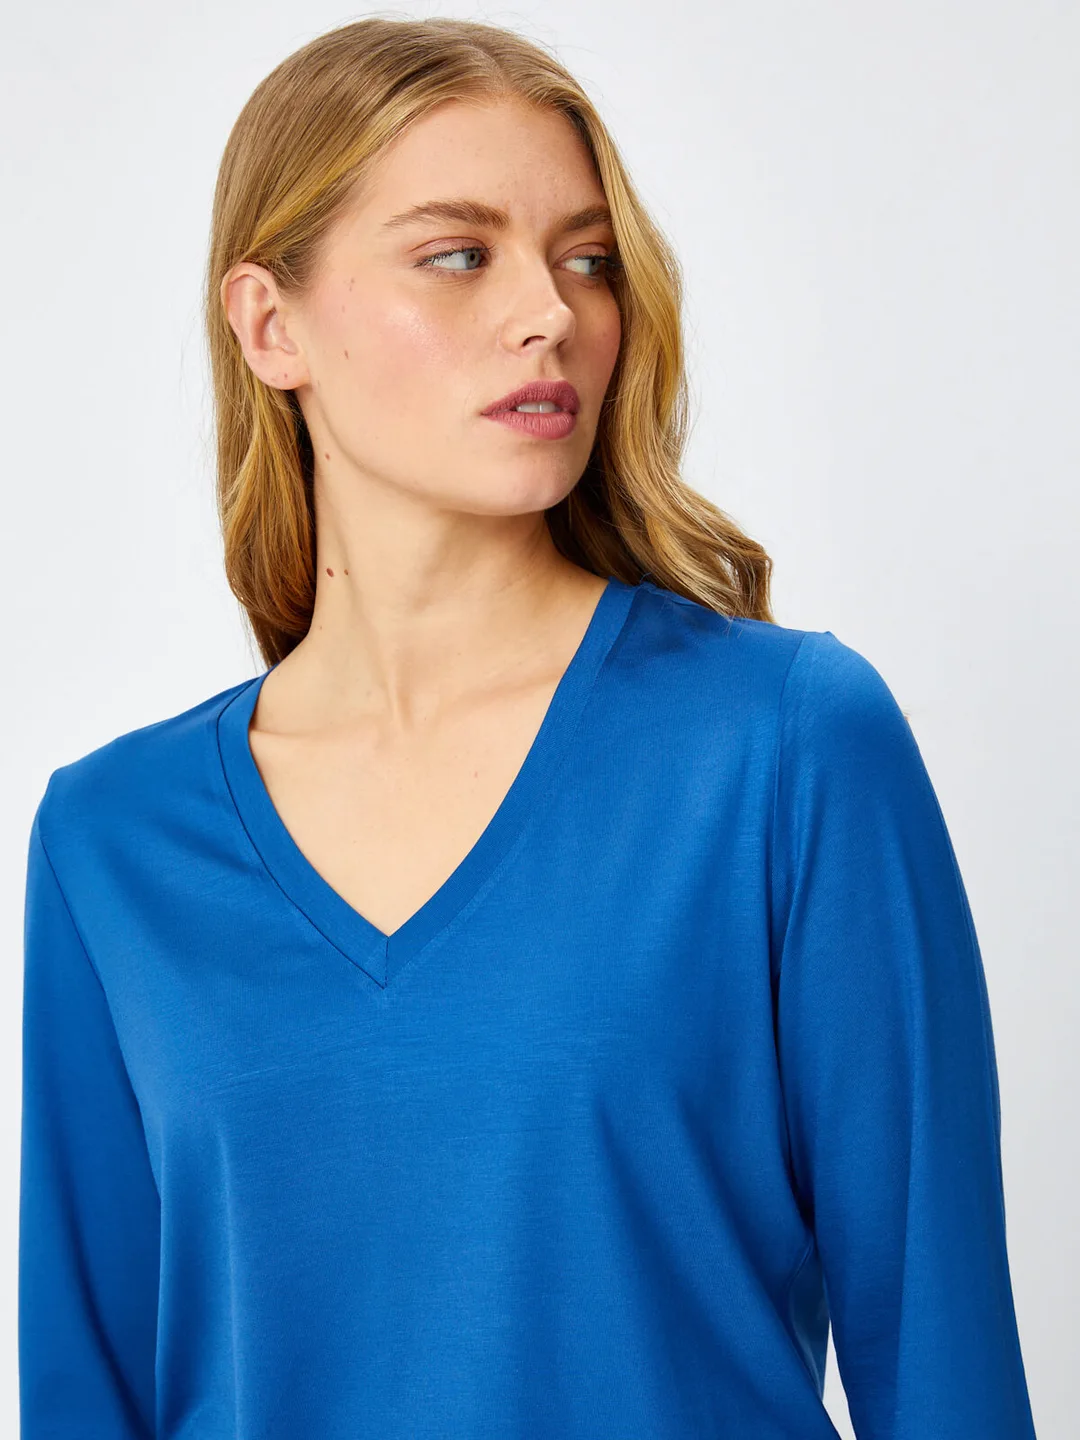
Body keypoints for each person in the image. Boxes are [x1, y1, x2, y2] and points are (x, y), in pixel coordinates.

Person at [18, 17, 1038, 1440]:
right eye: (459, 254)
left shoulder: (783, 747)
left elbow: (945, 1370)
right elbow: (88, 1397)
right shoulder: (112, 843)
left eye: (588, 259)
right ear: (270, 326)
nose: (549, 312)